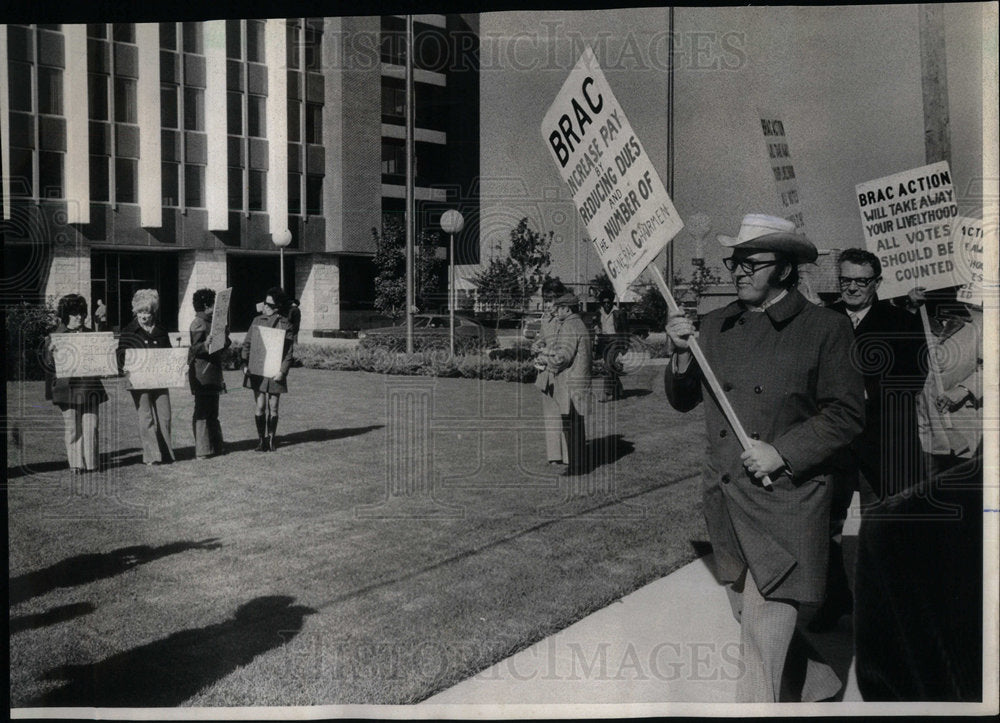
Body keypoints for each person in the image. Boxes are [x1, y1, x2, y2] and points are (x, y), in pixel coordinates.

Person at [664, 214, 865, 702]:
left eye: (751, 263)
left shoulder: (825, 328)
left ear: (785, 267)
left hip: (787, 505)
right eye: (735, 262)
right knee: (750, 618)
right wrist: (680, 354)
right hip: (729, 503)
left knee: (759, 638)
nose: (738, 271)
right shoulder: (713, 325)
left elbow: (847, 414)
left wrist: (783, 452)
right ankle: (817, 679)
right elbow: (682, 399)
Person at [808, 248, 927, 633]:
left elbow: (914, 378)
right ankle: (835, 598)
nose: (854, 288)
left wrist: (864, 394)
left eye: (862, 281)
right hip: (835, 445)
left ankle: (891, 606)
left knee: (891, 527)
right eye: (846, 281)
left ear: (877, 283)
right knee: (826, 527)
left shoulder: (901, 322)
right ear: (838, 281)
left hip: (886, 442)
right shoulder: (822, 321)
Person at [914, 297, 983, 476]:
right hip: (925, 431)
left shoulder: (979, 321)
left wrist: (963, 390)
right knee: (929, 495)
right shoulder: (910, 320)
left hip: (965, 427)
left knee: (965, 493)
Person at [43, 293, 110, 474]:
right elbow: (48, 366)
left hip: (89, 387)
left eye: (81, 313)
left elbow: (102, 360)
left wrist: (106, 364)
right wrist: (50, 354)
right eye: (74, 314)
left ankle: (92, 463)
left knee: (91, 426)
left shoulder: (91, 335)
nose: (79, 317)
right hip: (66, 388)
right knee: (73, 427)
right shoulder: (56, 337)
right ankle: (75, 464)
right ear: (66, 316)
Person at [116, 289, 175, 465]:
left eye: (147, 312)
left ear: (153, 312)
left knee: (165, 416)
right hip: (139, 381)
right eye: (140, 312)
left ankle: (166, 454)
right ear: (135, 312)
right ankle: (152, 456)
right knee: (146, 417)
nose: (143, 316)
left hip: (160, 380)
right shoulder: (129, 331)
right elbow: (120, 355)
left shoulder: (162, 329)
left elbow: (170, 353)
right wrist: (125, 366)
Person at [242, 286, 294, 452]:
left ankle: (271, 439)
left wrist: (282, 372)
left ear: (277, 307)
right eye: (264, 302)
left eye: (267, 303)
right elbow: (247, 344)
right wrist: (244, 364)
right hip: (257, 369)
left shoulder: (285, 325)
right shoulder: (257, 321)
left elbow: (288, 353)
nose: (263, 305)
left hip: (275, 371)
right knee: (260, 405)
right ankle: (260, 440)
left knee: (274, 406)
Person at [547, 292, 593, 476]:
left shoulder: (569, 325)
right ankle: (579, 465)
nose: (556, 311)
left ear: (567, 308)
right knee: (577, 425)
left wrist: (546, 361)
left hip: (570, 383)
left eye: (558, 308)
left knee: (571, 426)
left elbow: (563, 357)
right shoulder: (580, 324)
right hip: (580, 382)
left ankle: (576, 467)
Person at [188, 288, 230, 459]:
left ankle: (216, 446)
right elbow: (195, 348)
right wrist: (206, 344)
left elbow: (224, 345)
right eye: (213, 303)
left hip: (213, 371)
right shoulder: (198, 323)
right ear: (206, 305)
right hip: (202, 372)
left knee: (213, 410)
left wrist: (224, 335)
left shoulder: (213, 323)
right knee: (203, 410)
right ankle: (203, 449)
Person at [532, 278, 569, 469]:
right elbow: (541, 339)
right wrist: (537, 346)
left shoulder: (565, 320)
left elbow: (565, 348)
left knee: (565, 415)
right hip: (546, 372)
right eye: (545, 301)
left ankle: (568, 455)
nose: (548, 305)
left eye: (551, 300)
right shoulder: (545, 319)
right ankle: (554, 455)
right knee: (550, 416)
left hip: (562, 371)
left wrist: (546, 353)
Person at [594, 289, 629, 402]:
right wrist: (595, 329)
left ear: (612, 301)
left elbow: (625, 330)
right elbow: (594, 325)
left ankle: (607, 393)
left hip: (615, 340)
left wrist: (625, 346)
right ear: (601, 303)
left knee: (608, 365)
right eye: (604, 302)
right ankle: (619, 389)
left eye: (609, 302)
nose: (607, 304)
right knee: (611, 367)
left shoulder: (618, 313)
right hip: (603, 341)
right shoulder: (598, 313)